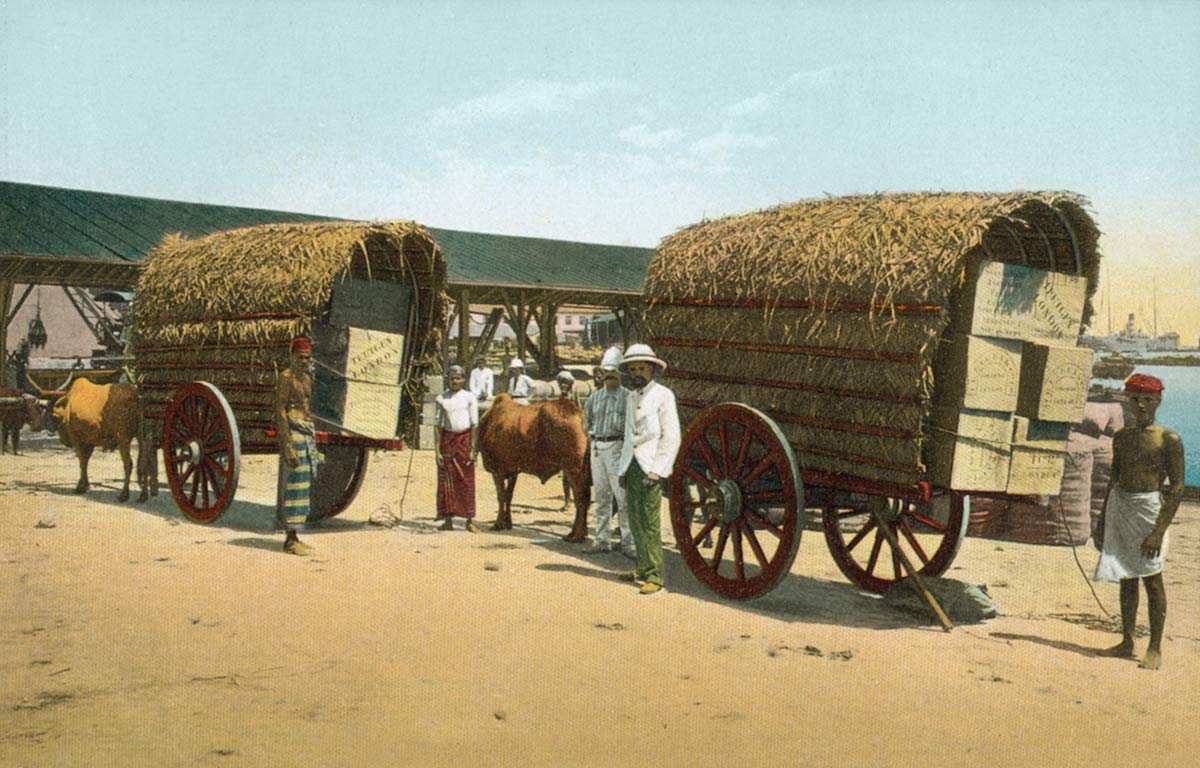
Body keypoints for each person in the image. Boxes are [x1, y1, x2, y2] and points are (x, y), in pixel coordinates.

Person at [1093, 373, 1185, 670]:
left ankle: (1155, 647)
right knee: (1126, 576)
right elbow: (1114, 479)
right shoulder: (1122, 437)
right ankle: (1127, 640)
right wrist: (1102, 521)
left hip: (1149, 510)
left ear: (1158, 401)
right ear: (1127, 401)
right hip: (1122, 507)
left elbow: (1178, 487)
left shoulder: (1168, 439)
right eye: (1135, 399)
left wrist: (1158, 531)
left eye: (1147, 400)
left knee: (1152, 578)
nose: (1141, 406)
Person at [616, 344, 680, 595]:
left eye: (642, 368)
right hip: (632, 465)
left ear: (652, 369)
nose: (638, 373)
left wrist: (658, 470)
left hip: (650, 465)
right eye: (633, 369)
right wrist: (623, 470)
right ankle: (641, 568)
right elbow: (628, 435)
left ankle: (655, 575)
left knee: (650, 521)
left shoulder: (664, 395)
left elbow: (671, 436)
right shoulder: (632, 396)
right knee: (635, 519)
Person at [585, 346, 634, 557]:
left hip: (618, 447)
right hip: (597, 447)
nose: (610, 375)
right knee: (602, 496)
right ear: (601, 373)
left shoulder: (628, 397)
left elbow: (633, 426)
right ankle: (602, 539)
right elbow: (586, 423)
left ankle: (628, 542)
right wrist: (593, 441)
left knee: (622, 497)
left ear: (620, 373)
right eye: (607, 372)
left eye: (614, 371)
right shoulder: (594, 398)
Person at [275, 336, 321, 556]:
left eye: (307, 358)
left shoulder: (306, 378)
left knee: (303, 487)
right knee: (293, 486)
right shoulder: (286, 377)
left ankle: (295, 536)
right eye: (300, 357)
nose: (304, 361)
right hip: (294, 434)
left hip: (306, 433)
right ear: (292, 356)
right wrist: (288, 446)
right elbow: (281, 412)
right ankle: (289, 540)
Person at [435, 364, 480, 532]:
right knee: (446, 480)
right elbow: (437, 426)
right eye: (452, 378)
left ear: (463, 379)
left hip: (465, 440)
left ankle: (469, 521)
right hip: (447, 441)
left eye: (458, 378)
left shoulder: (469, 397)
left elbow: (475, 424)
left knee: (466, 480)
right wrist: (437, 451)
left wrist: (473, 449)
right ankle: (448, 520)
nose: (455, 381)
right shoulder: (441, 399)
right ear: (447, 379)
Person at [556, 370, 588, 511]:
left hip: (574, 433)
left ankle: (579, 499)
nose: (563, 385)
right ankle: (567, 500)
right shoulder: (558, 399)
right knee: (565, 471)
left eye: (565, 383)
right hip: (562, 435)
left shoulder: (574, 396)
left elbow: (580, 413)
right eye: (561, 383)